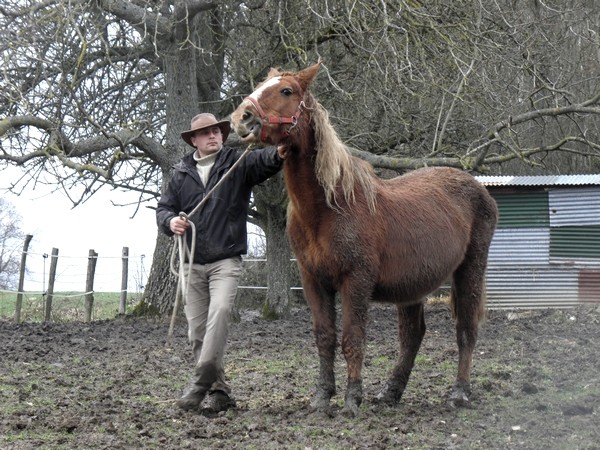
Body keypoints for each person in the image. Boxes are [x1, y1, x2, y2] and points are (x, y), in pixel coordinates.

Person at [156, 113, 284, 413]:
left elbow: (265, 161)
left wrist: (279, 152)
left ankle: (200, 382)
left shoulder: (237, 163)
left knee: (221, 312)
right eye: (206, 133)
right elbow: (164, 208)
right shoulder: (180, 173)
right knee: (197, 332)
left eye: (217, 131)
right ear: (194, 140)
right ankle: (220, 392)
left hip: (226, 260)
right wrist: (170, 221)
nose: (213, 136)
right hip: (191, 263)